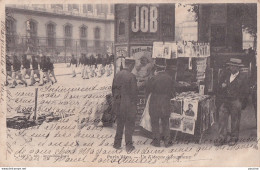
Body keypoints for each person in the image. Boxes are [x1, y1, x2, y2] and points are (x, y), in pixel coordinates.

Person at [215, 58, 249, 146]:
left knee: (235, 120)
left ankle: (234, 138)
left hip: (235, 101)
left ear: (237, 67)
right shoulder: (225, 74)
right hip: (225, 101)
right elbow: (219, 86)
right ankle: (221, 138)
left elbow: (246, 91)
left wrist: (240, 102)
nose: (230, 67)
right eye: (230, 65)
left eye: (232, 66)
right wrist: (222, 86)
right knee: (222, 119)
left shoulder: (243, 77)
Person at [146, 59, 176, 147]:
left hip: (154, 103)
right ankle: (167, 142)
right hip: (165, 102)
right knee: (165, 122)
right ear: (164, 68)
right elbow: (173, 92)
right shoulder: (169, 78)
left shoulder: (153, 78)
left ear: (156, 68)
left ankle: (156, 142)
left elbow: (148, 90)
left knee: (154, 122)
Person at [112, 58, 137, 153]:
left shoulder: (117, 75)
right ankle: (129, 146)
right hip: (128, 105)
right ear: (131, 65)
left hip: (118, 104)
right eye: (133, 66)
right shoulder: (131, 76)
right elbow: (134, 93)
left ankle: (117, 144)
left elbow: (113, 90)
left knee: (120, 124)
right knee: (129, 125)